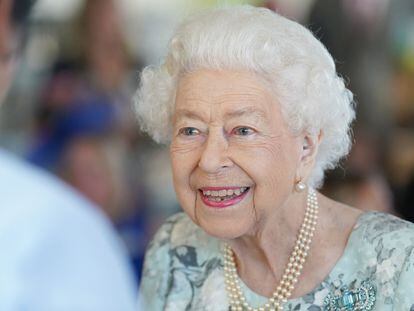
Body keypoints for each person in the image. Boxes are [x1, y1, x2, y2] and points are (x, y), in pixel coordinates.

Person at [136, 5, 414, 310]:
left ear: (306, 148)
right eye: (190, 130)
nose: (210, 160)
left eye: (243, 130)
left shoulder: (399, 265)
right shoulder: (173, 250)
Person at [0, 0, 138, 309]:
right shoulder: (68, 65)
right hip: (71, 155)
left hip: (113, 161)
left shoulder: (133, 62)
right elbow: (46, 117)